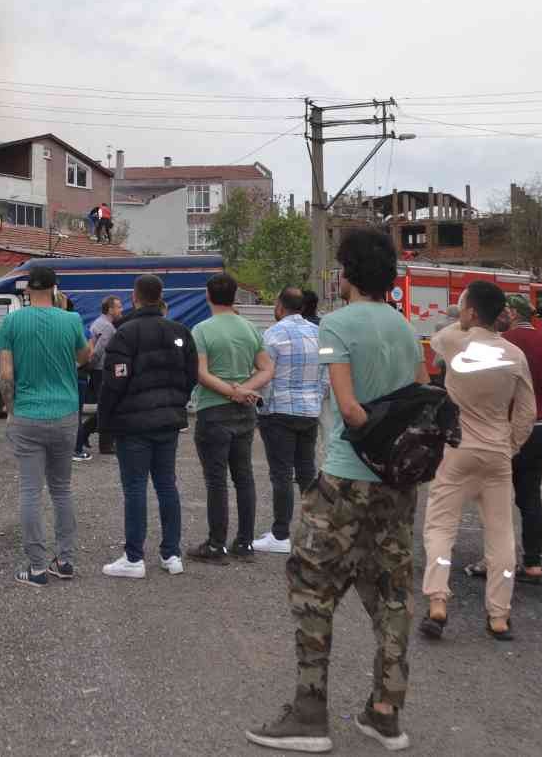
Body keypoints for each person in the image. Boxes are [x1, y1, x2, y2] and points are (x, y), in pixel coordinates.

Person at [246, 228, 425, 753]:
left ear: (346, 272)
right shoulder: (405, 326)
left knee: (311, 587)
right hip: (397, 484)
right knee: (392, 594)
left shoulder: (336, 326)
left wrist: (365, 429)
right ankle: (386, 713)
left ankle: (308, 715)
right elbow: (420, 392)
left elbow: (348, 407)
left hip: (346, 478)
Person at [421, 282, 537, 643]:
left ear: (471, 312)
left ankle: (438, 599)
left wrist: (463, 319)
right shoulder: (515, 355)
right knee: (501, 533)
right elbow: (527, 412)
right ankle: (499, 616)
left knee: (441, 527)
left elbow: (441, 338)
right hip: (497, 452)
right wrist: (510, 445)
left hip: (458, 449)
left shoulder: (454, 341)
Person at [0, 264, 90, 587]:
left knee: (30, 491)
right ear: (55, 288)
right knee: (61, 489)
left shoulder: (12, 321)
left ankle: (36, 567)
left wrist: (10, 410)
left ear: (27, 289)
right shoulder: (71, 320)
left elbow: (6, 375)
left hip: (27, 414)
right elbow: (85, 357)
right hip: (65, 413)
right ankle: (65, 560)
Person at [96, 274, 194, 578]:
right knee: (167, 485)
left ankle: (134, 558)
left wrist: (105, 421)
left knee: (135, 487)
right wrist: (176, 402)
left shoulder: (125, 334)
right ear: (161, 296)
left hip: (133, 423)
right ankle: (172, 554)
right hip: (168, 421)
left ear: (134, 297)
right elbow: (191, 374)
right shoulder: (180, 332)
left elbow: (114, 381)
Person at [188, 272, 273, 564]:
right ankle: (245, 542)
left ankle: (216, 544)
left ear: (208, 295)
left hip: (213, 410)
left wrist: (230, 391)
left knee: (217, 480)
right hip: (245, 411)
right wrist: (244, 389)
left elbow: (201, 373)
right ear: (235, 296)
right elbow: (267, 368)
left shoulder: (201, 330)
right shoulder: (249, 328)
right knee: (244, 477)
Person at [253, 288, 323, 555]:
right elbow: (326, 371)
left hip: (279, 411)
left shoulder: (272, 335)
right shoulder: (319, 333)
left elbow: (265, 374)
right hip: (310, 411)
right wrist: (317, 397)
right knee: (306, 471)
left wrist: (262, 403)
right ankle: (313, 532)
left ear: (279, 306)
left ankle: (280, 534)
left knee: (281, 473)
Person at [500, 294, 542, 584]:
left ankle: (498, 562)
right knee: (531, 498)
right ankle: (533, 563)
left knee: (496, 499)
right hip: (539, 429)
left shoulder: (502, 342)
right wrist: (540, 406)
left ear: (512, 313)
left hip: (504, 430)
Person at [77, 296, 122, 460]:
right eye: (118, 307)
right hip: (101, 370)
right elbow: (98, 351)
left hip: (98, 370)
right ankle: (104, 443)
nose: (121, 310)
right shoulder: (107, 327)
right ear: (110, 309)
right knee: (108, 406)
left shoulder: (98, 322)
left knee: (105, 406)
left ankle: (87, 433)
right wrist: (90, 366)